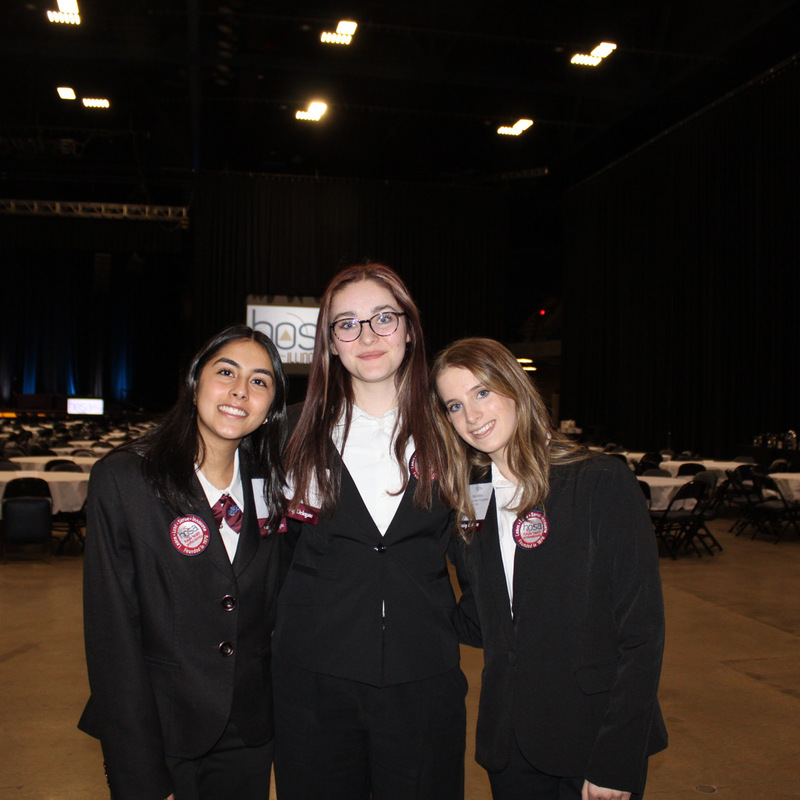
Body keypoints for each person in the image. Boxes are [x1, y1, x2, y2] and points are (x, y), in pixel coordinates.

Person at [430, 338, 667, 800]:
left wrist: (616, 759)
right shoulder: (471, 498)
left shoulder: (599, 481)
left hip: (592, 742)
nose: (471, 416)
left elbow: (642, 633)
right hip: (510, 744)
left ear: (515, 387)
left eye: (482, 392)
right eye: (454, 406)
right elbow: (482, 620)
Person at [272, 262, 467, 800]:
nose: (367, 336)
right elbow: (271, 556)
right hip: (312, 680)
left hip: (422, 677)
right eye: (347, 324)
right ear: (330, 343)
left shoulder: (456, 431)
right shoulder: (289, 432)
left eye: (384, 318)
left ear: (410, 329)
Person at [78, 324, 288, 800]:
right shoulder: (126, 479)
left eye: (259, 381)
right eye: (226, 372)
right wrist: (141, 775)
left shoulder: (274, 483)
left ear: (271, 407)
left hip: (249, 733)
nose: (240, 390)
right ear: (195, 383)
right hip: (162, 730)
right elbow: (112, 637)